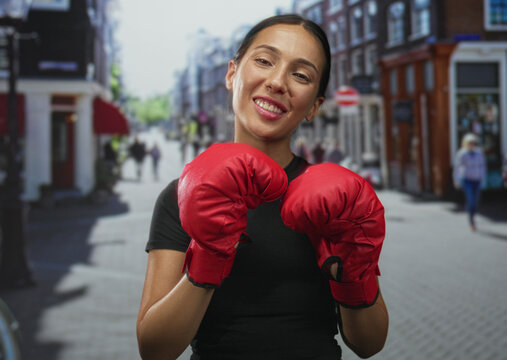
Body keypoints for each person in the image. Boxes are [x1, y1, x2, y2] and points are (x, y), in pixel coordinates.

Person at [137, 14, 388, 360]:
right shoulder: (179, 196)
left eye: (301, 75)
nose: (277, 82)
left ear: (314, 106)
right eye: (265, 61)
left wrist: (355, 270)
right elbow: (154, 349)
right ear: (231, 74)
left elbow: (369, 344)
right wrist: (209, 256)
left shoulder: (338, 200)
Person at [453, 133, 487, 231]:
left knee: (476, 201)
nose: (472, 145)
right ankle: (471, 220)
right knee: (470, 199)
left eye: (473, 143)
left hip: (477, 179)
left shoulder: (479, 153)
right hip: (467, 179)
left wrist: (483, 179)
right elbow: (457, 168)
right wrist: (456, 180)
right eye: (470, 143)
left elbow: (482, 166)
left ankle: (473, 213)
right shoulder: (462, 153)